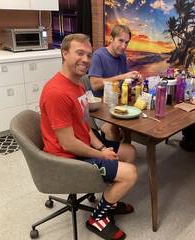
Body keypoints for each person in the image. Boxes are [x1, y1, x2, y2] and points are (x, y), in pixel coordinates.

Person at [39, 33, 138, 240]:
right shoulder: (57, 93)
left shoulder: (77, 85)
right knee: (130, 174)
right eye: (79, 53)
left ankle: (109, 200)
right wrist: (100, 155)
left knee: (129, 151)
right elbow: (68, 144)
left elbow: (85, 125)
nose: (85, 59)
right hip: (67, 158)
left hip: (81, 146)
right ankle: (97, 217)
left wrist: (102, 148)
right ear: (64, 54)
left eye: (89, 55)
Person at [88, 24, 142, 141]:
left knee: (134, 121)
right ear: (111, 39)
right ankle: (113, 154)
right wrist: (123, 76)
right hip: (102, 107)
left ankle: (127, 152)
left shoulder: (122, 56)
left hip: (118, 102)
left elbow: (126, 81)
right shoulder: (99, 55)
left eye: (126, 42)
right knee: (112, 130)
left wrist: (136, 79)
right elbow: (95, 85)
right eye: (120, 41)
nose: (123, 46)